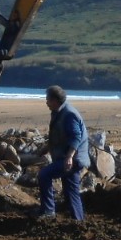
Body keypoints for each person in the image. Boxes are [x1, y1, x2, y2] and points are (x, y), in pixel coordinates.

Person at [36, 85, 90, 221]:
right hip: (70, 158)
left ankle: (48, 211)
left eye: (47, 99)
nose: (46, 102)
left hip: (74, 159)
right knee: (71, 191)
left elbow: (76, 137)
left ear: (55, 100)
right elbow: (59, 135)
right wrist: (47, 148)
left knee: (44, 174)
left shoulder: (68, 114)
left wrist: (69, 157)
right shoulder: (59, 112)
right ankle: (78, 221)